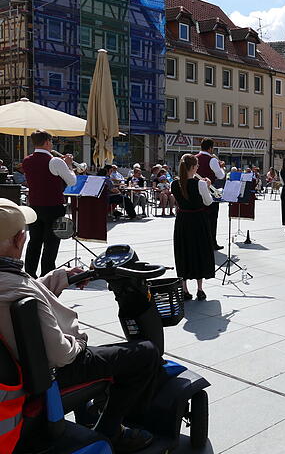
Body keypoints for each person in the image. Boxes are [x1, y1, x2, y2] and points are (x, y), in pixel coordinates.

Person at [0, 198, 161, 452]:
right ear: (20, 239)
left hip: (20, 368)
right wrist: (80, 342)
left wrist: (60, 278)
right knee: (146, 352)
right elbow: (62, 354)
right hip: (52, 372)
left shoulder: (9, 280)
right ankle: (113, 429)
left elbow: (25, 288)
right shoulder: (19, 292)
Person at [21, 130, 76, 278]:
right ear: (46, 142)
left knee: (34, 242)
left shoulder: (27, 160)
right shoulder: (55, 161)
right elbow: (72, 181)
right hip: (54, 206)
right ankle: (47, 274)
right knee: (51, 243)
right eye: (51, 141)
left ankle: (30, 273)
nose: (52, 144)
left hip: (34, 206)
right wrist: (69, 165)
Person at [172, 154, 215, 301]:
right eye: (196, 166)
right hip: (198, 220)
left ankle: (184, 289)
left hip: (183, 220)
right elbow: (209, 202)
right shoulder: (200, 184)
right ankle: (200, 289)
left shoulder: (174, 184)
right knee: (199, 250)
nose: (198, 168)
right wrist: (207, 186)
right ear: (192, 167)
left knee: (184, 250)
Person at [196, 139, 225, 250]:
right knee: (212, 219)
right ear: (210, 148)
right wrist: (221, 166)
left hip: (196, 191)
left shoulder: (195, 157)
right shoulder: (212, 160)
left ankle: (200, 242)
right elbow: (221, 176)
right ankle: (212, 242)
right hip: (209, 191)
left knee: (199, 218)